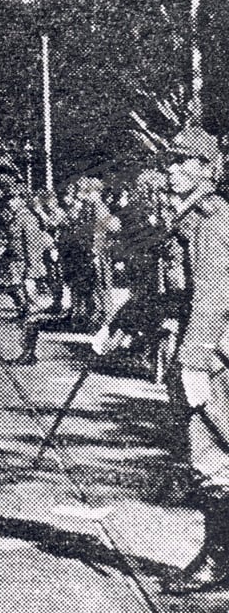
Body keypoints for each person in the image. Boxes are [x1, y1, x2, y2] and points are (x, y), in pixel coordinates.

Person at [159, 126, 229, 594]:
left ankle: (217, 560)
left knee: (212, 456)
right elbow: (171, 288)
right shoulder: (188, 216)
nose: (172, 169)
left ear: (207, 169)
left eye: (183, 162)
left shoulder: (211, 218)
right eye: (170, 161)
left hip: (209, 349)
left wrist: (196, 361)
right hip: (191, 341)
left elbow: (212, 293)